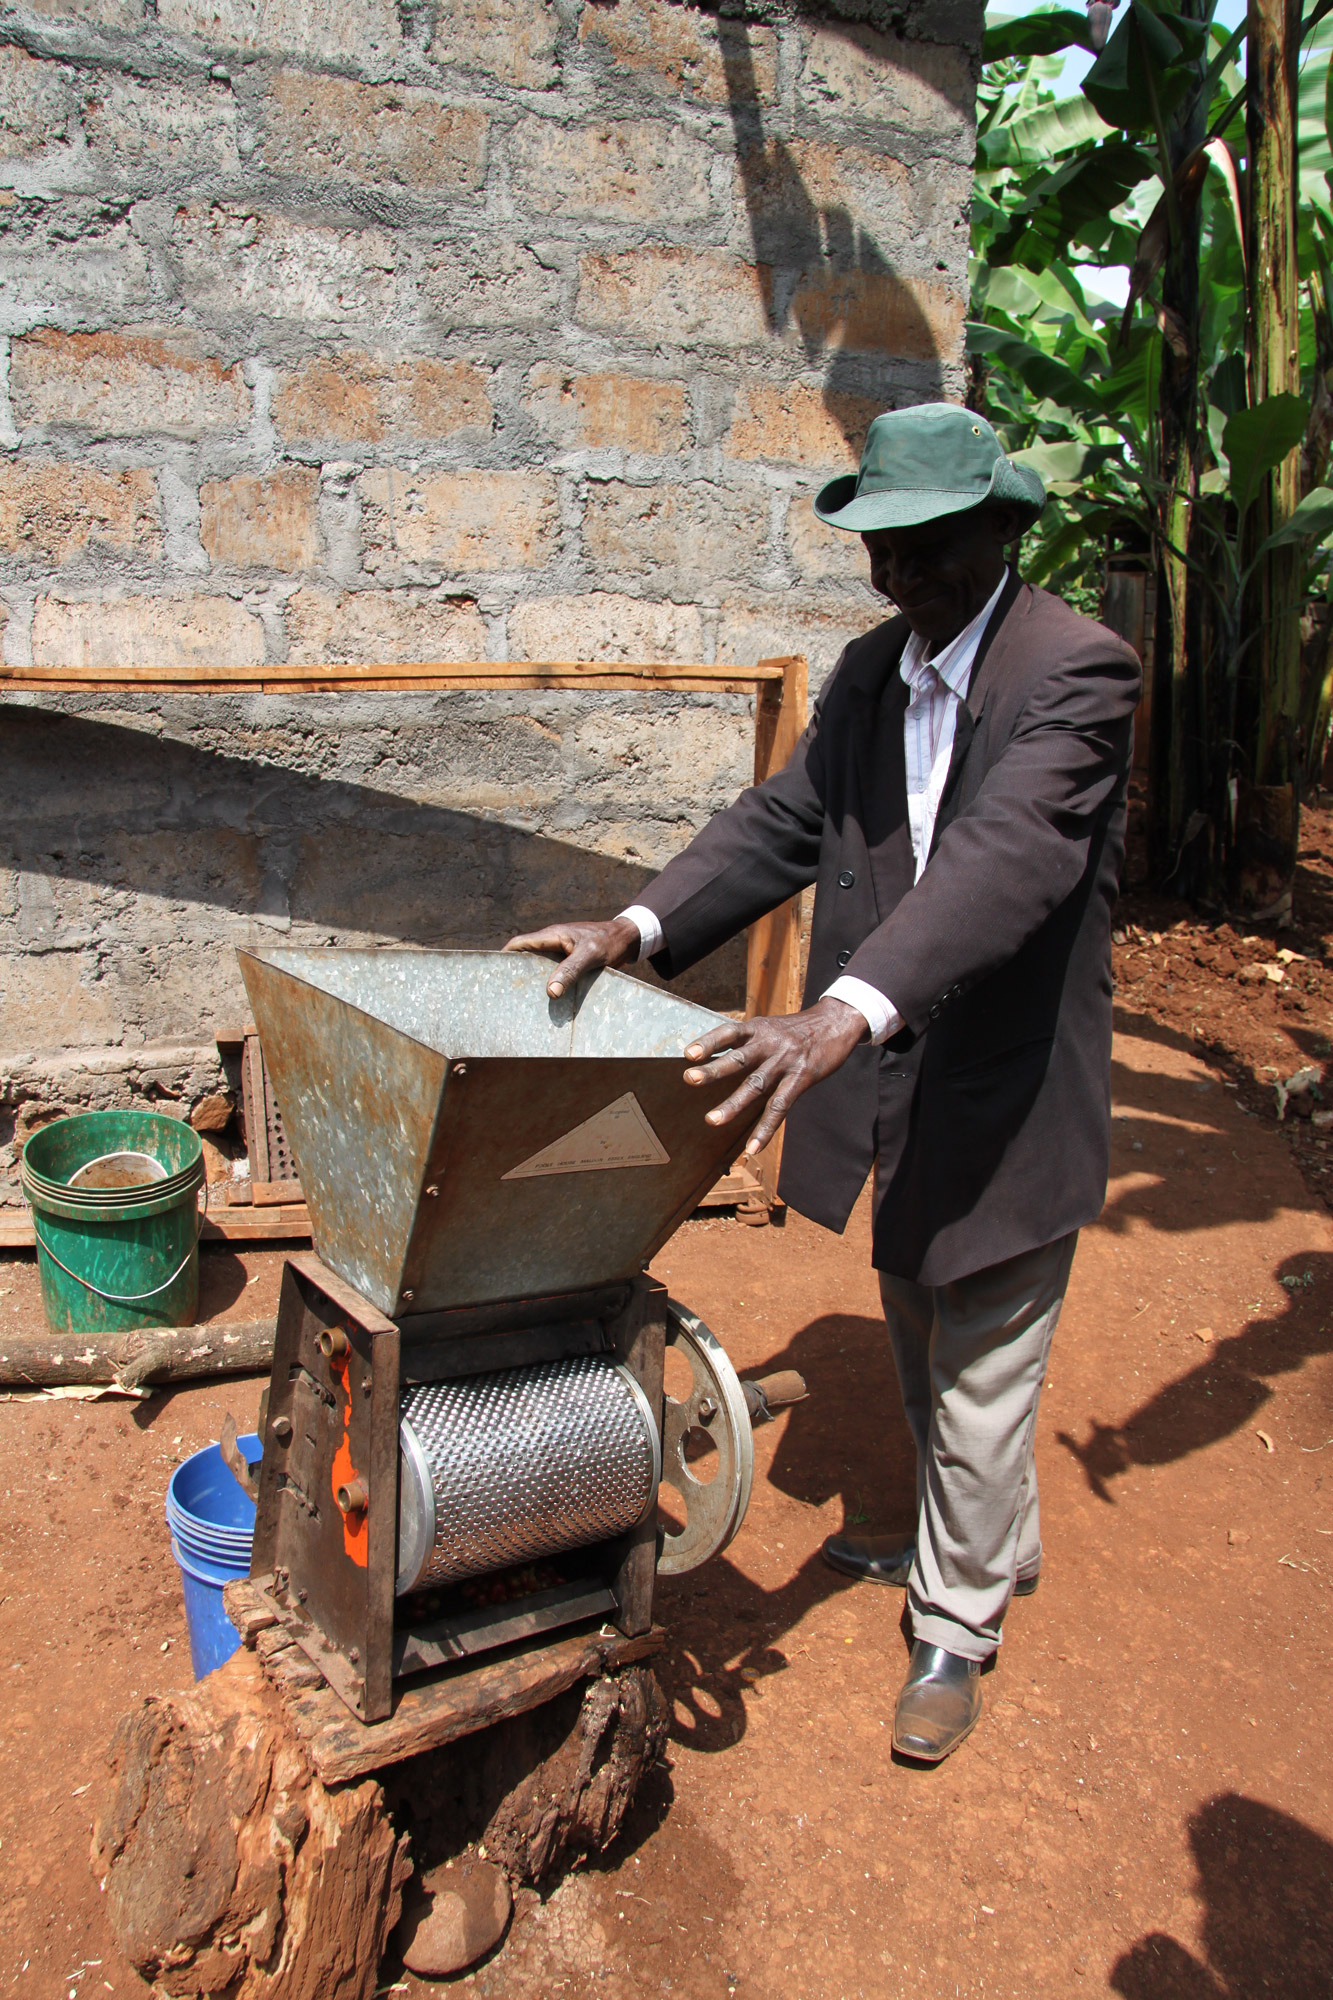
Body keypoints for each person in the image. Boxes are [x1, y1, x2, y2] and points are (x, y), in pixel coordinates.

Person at [505, 402, 1141, 1763]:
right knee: (922, 1332)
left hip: (1004, 1088)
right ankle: (990, 1545)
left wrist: (839, 1014)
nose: (892, 572)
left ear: (998, 532)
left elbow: (1008, 857)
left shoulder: (1074, 670)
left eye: (920, 546)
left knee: (978, 1371)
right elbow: (781, 822)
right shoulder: (873, 671)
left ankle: (954, 1629)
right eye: (875, 547)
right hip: (902, 1087)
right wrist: (640, 927)